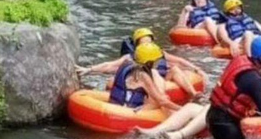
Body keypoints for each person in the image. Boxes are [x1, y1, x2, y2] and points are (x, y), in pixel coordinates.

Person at [77, 28, 208, 99]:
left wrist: (196, 69)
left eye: (149, 41)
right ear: (137, 44)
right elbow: (109, 65)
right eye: (143, 42)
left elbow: (179, 61)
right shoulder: (131, 56)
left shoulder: (158, 52)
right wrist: (89, 69)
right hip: (143, 82)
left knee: (174, 69)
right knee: (152, 72)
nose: (147, 44)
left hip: (162, 79)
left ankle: (193, 93)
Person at [108, 43, 180, 113]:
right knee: (161, 100)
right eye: (157, 60)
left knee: (150, 97)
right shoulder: (143, 76)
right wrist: (180, 109)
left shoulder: (125, 64)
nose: (158, 62)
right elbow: (161, 101)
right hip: (127, 110)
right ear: (149, 62)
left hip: (114, 104)